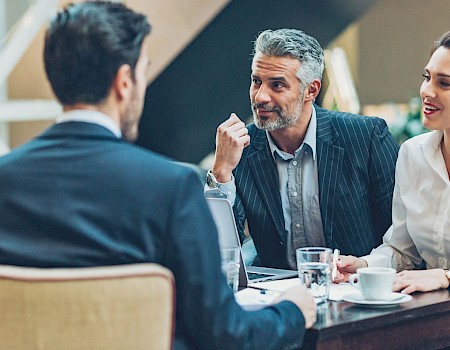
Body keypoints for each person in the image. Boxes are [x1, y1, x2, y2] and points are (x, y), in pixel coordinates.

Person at [0, 2, 316, 349]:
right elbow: (226, 334)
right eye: (142, 72)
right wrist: (293, 311)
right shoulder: (170, 188)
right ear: (124, 82)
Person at [206, 29, 399, 270]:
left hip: (359, 291)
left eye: (277, 85)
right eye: (257, 81)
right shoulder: (240, 148)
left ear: (311, 90)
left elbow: (400, 236)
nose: (260, 96)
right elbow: (213, 247)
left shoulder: (366, 136)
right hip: (278, 298)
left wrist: (366, 266)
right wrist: (221, 172)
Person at [336, 31, 450, 294]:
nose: (426, 91)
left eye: (444, 83)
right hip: (431, 316)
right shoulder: (413, 154)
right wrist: (363, 264)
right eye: (427, 77)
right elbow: (402, 250)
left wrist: (445, 275)